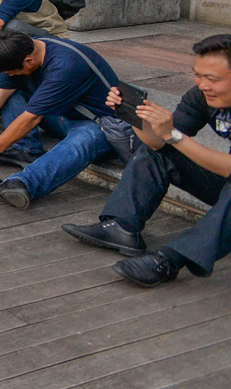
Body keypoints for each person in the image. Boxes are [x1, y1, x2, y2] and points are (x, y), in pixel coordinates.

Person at [62, 34, 231, 288]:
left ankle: (169, 260)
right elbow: (157, 144)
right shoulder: (200, 96)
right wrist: (135, 116)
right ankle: (122, 227)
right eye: (198, 75)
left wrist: (172, 135)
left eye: (212, 79)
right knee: (161, 153)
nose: (202, 84)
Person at [0, 28, 128, 210]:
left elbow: (32, 118)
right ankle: (26, 149)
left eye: (12, 72)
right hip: (60, 114)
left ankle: (25, 183)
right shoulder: (19, 50)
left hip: (99, 124)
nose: (10, 75)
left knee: (84, 138)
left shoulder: (65, 66)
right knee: (11, 93)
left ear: (29, 61)